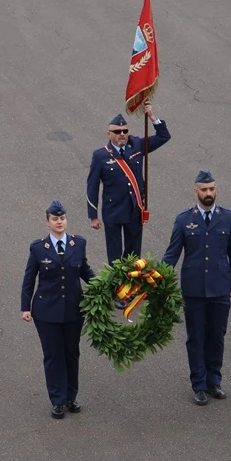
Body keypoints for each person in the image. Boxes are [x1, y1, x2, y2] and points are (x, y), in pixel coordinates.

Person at [162, 170, 231, 406]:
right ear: (195, 191)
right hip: (194, 289)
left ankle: (214, 381)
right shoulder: (183, 219)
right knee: (196, 337)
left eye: (212, 189)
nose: (208, 194)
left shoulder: (228, 218)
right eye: (204, 190)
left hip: (219, 289)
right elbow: (172, 254)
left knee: (217, 336)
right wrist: (155, 279)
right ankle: (198, 384)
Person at [86, 102, 170, 307]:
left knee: (133, 253)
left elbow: (163, 137)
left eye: (125, 131)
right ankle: (118, 292)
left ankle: (130, 287)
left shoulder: (137, 146)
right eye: (118, 131)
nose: (122, 134)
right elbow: (92, 185)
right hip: (113, 212)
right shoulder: (101, 155)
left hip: (134, 210)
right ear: (109, 134)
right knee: (115, 255)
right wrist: (93, 215)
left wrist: (152, 117)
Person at [21, 201, 95, 420]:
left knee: (71, 353)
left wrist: (106, 287)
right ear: (48, 222)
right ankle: (57, 400)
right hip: (46, 312)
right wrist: (25, 307)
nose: (59, 222)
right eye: (55, 219)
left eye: (62, 218)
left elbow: (85, 271)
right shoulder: (38, 248)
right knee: (53, 356)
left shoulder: (78, 244)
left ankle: (71, 397)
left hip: (73, 310)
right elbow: (29, 279)